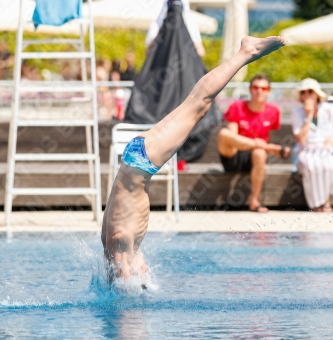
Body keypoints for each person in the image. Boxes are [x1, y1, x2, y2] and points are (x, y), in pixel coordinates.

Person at [102, 36, 287, 283]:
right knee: (194, 106)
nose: (143, 270)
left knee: (198, 104)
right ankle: (245, 52)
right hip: (137, 158)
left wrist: (130, 281)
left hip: (141, 161)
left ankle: (245, 52)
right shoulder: (117, 246)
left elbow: (124, 268)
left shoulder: (119, 250)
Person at [217, 74, 290, 213]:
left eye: (264, 88)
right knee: (223, 134)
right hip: (233, 155)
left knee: (260, 152)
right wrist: (264, 145)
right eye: (256, 87)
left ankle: (254, 201)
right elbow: (232, 139)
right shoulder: (237, 106)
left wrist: (261, 147)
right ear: (250, 89)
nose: (259, 91)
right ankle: (269, 149)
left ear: (268, 91)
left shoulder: (274, 111)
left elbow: (265, 140)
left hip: (255, 159)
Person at [292, 78, 333, 212]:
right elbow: (302, 140)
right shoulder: (297, 112)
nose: (307, 95)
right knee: (311, 164)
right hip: (306, 151)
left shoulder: (328, 109)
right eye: (304, 92)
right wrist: (308, 116)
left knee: (328, 164)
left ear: (317, 94)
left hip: (326, 149)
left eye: (310, 91)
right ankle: (316, 204)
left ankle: (326, 201)